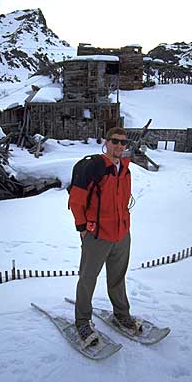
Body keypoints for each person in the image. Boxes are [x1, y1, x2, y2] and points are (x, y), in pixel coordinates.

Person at [68, 127, 137, 347]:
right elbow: (77, 200)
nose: (119, 146)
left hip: (121, 233)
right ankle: (82, 321)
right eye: (115, 141)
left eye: (123, 142)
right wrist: (82, 227)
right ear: (106, 142)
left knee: (117, 277)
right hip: (97, 235)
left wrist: (124, 227)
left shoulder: (125, 169)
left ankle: (121, 314)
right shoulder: (95, 166)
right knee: (88, 278)